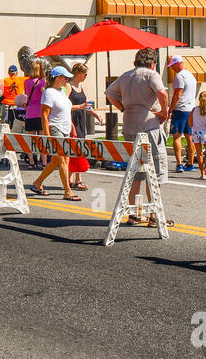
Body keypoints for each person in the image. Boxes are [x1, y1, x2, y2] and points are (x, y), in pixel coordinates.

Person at [105, 47, 174, 227]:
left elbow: (109, 93)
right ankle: (154, 215)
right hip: (149, 126)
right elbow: (163, 93)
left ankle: (134, 213)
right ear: (152, 63)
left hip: (129, 125)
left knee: (135, 171)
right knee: (156, 171)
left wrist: (122, 108)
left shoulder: (126, 76)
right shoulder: (151, 74)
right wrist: (164, 113)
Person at [31, 66, 80, 200]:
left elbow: (66, 110)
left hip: (64, 129)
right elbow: (44, 115)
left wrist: (71, 126)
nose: (67, 80)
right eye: (65, 77)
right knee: (63, 159)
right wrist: (47, 136)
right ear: (58, 77)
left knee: (56, 161)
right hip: (55, 128)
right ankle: (68, 191)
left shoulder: (61, 91)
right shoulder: (49, 93)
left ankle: (37, 182)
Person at [66, 62, 102, 192]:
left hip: (81, 121)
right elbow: (64, 105)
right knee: (73, 150)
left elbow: (86, 105)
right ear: (78, 73)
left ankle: (75, 179)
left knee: (79, 149)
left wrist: (96, 115)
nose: (86, 76)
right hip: (71, 121)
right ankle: (73, 179)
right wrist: (79, 107)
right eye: (84, 73)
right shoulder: (68, 86)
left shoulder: (81, 86)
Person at [166, 55, 198, 173]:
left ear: (178, 63)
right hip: (191, 109)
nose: (172, 68)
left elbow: (177, 95)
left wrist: (170, 110)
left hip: (180, 110)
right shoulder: (191, 75)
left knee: (177, 136)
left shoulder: (179, 77)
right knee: (190, 137)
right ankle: (190, 163)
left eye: (173, 65)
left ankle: (179, 164)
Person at [22, 61, 47, 168]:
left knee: (30, 138)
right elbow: (43, 92)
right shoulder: (42, 82)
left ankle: (32, 161)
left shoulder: (26, 82)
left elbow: (27, 94)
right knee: (42, 138)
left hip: (30, 112)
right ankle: (44, 161)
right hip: (40, 112)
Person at [189, 91, 206, 180]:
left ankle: (202, 174)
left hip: (195, 133)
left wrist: (194, 127)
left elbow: (189, 122)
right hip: (204, 133)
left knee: (199, 153)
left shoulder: (194, 109)